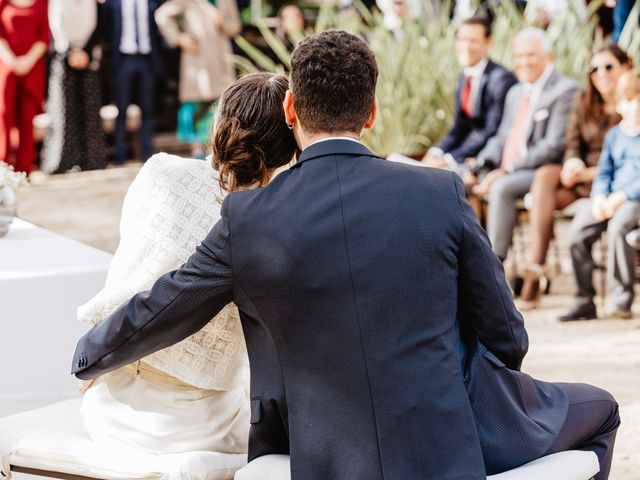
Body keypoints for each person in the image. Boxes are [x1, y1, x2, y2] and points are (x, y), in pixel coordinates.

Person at [73, 30, 619, 480]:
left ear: (291, 108)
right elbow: (508, 338)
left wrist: (86, 357)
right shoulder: (438, 192)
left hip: (320, 456)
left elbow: (164, 308)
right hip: (447, 448)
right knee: (602, 410)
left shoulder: (247, 219)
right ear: (373, 113)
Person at [76, 72, 297, 454]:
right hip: (205, 425)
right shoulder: (280, 220)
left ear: (220, 123)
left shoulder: (160, 173)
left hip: (115, 403)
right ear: (287, 146)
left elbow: (132, 264)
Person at [518, 44, 631, 311]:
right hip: (589, 181)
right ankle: (543, 270)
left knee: (547, 193)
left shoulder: (632, 108)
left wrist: (592, 175)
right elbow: (571, 142)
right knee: (547, 175)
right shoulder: (584, 100)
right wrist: (572, 163)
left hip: (617, 183)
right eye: (594, 69)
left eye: (608, 67)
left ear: (626, 66)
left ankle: (535, 276)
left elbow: (628, 163)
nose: (601, 73)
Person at [467, 27, 579, 262]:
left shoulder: (566, 90)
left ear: (548, 57)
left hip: (541, 171)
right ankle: (465, 261)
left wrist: (507, 170)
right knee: (461, 180)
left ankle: (494, 262)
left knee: (501, 188)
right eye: (519, 56)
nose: (524, 62)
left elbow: (554, 146)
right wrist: (481, 164)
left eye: (531, 55)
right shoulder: (516, 92)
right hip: (507, 169)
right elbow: (501, 137)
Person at [560, 68, 640, 321]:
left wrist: (622, 196)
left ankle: (621, 299)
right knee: (576, 233)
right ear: (619, 105)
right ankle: (584, 299)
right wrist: (599, 197)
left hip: (634, 200)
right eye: (629, 100)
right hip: (609, 197)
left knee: (619, 229)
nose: (635, 106)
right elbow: (604, 171)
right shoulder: (615, 135)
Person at [423, 15, 517, 173]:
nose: (465, 46)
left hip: (487, 159)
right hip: (465, 153)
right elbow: (459, 126)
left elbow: (491, 130)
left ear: (488, 43)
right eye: (461, 39)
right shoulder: (463, 78)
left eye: (473, 41)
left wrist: (449, 159)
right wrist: (436, 152)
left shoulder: (501, 79)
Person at [154, 0, 241, 160]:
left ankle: (216, 151)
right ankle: (196, 152)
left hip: (220, 61)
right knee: (193, 106)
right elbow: (161, 15)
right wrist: (179, 38)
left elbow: (235, 26)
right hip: (197, 61)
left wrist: (223, 23)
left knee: (221, 106)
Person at [41, 0, 106, 174]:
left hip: (88, 57)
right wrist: (70, 51)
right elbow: (56, 24)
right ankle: (62, 161)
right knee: (64, 111)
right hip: (64, 58)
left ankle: (92, 159)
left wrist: (84, 50)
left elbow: (96, 24)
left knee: (90, 110)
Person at [102, 0, 166, 165]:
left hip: (147, 60)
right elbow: (106, 27)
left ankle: (147, 156)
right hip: (123, 59)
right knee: (121, 109)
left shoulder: (153, 2)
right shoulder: (113, 3)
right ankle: (120, 156)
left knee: (148, 108)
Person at [0, 0, 48, 174]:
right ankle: (2, 168)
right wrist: (11, 60)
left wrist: (28, 60)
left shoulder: (41, 3)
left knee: (27, 119)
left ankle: (23, 169)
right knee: (3, 116)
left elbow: (44, 34)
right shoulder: (3, 3)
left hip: (32, 68)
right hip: (6, 68)